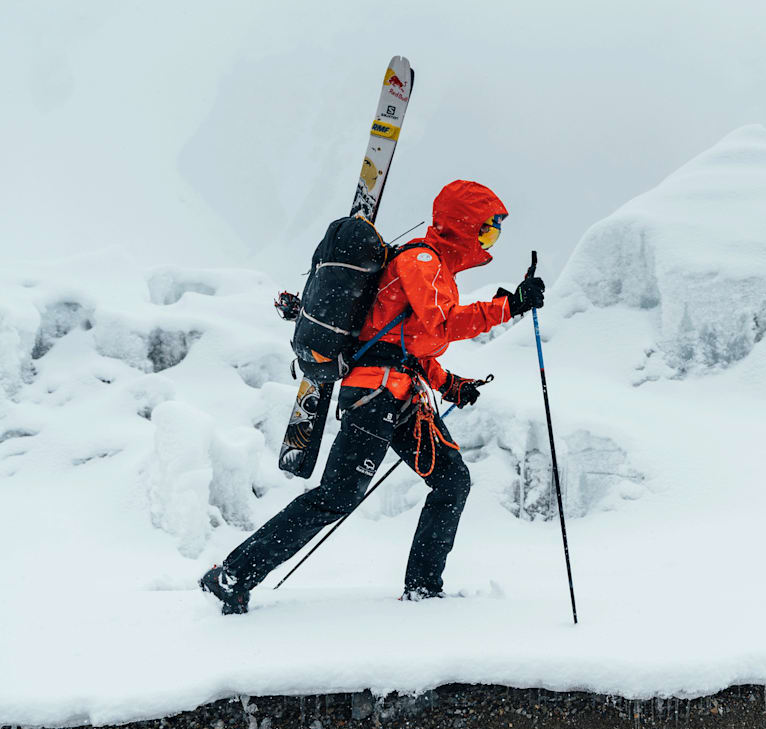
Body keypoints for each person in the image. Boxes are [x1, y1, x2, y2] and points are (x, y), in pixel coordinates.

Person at [199, 180, 545, 614]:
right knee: (337, 496)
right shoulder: (421, 260)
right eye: (487, 230)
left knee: (452, 481)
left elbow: (408, 343)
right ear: (463, 225)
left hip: (400, 395)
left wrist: (449, 384)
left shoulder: (438, 268)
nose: (490, 240)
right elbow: (439, 325)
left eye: (495, 233)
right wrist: (509, 306)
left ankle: (423, 589)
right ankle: (233, 575)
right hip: (374, 394)